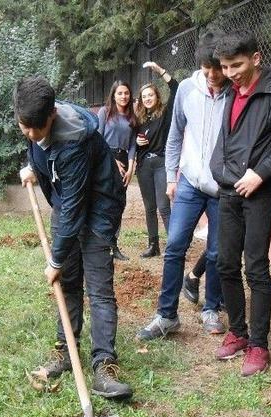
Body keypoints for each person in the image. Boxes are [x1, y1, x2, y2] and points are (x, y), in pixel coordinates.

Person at [16, 76, 133, 399]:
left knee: (98, 288)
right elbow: (39, 149)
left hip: (98, 209)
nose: (28, 133)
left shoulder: (75, 143)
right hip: (70, 205)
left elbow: (73, 207)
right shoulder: (35, 121)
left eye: (33, 129)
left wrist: (55, 260)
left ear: (52, 116)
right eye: (23, 126)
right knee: (66, 284)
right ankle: (65, 352)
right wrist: (32, 167)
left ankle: (104, 365)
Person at [210, 30, 271, 376]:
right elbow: (227, 141)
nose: (231, 72)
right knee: (225, 264)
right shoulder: (232, 92)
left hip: (258, 192)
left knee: (255, 267)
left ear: (256, 58)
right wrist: (220, 173)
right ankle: (238, 333)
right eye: (225, 66)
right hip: (229, 191)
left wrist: (260, 174)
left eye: (237, 64)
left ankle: (259, 345)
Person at [135, 30, 228, 341]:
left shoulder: (235, 92)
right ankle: (166, 315)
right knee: (175, 245)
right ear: (199, 64)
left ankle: (211, 308)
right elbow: (175, 135)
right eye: (207, 68)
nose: (214, 75)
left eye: (219, 68)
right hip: (188, 182)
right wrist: (172, 177)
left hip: (221, 187)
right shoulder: (187, 89)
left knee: (216, 251)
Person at [134, 61, 178, 258]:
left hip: (161, 163)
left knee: (163, 206)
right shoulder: (140, 119)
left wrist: (160, 71)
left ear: (156, 96)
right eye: (144, 97)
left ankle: (173, 246)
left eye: (150, 95)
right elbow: (132, 145)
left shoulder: (165, 114)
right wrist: (137, 142)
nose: (148, 99)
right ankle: (153, 245)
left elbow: (175, 88)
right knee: (149, 207)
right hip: (144, 166)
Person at [97, 80, 136, 261]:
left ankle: (114, 245)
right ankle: (101, 243)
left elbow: (133, 144)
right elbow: (97, 138)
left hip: (124, 160)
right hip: (105, 158)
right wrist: (111, 160)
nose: (123, 96)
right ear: (113, 95)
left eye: (126, 93)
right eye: (120, 93)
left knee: (119, 203)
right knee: (104, 201)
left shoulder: (132, 115)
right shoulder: (105, 112)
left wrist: (130, 167)